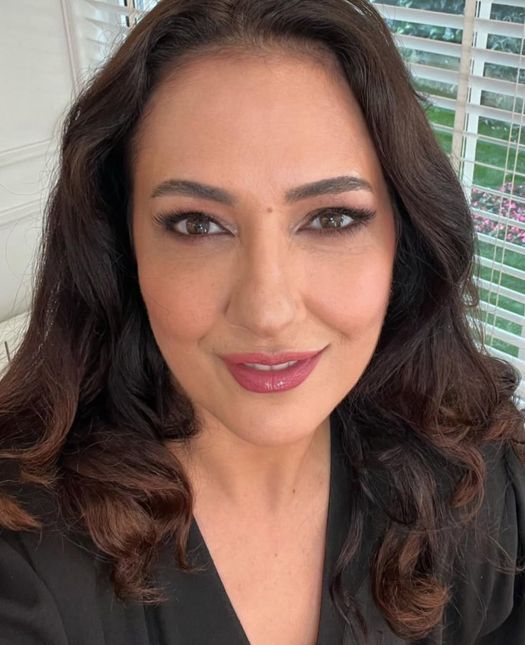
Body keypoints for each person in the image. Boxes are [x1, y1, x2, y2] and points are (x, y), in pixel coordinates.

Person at [0, 0, 523, 643]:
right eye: (197, 225)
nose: (268, 312)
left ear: (405, 238)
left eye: (332, 218)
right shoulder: (26, 563)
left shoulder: (479, 478)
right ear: (121, 246)